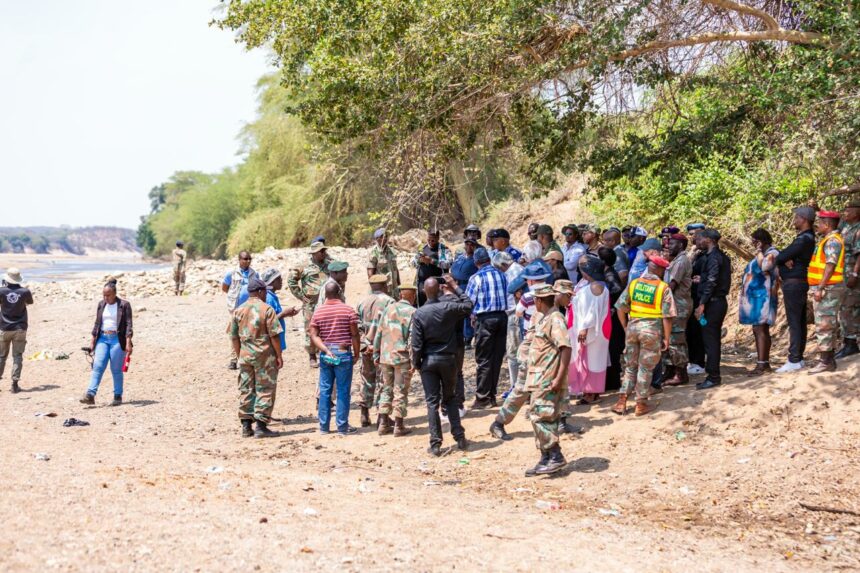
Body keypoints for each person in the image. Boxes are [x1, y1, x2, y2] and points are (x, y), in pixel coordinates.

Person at [411, 275, 473, 455]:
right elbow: (468, 305)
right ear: (439, 289)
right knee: (450, 398)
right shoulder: (448, 307)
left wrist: (417, 363)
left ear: (424, 291)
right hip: (448, 359)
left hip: (429, 361)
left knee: (432, 403)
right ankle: (460, 438)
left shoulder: (420, 313)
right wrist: (455, 285)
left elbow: (416, 344)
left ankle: (436, 444)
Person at [613, 258, 676, 416]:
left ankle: (621, 402)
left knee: (630, 366)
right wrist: (667, 338)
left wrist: (626, 327)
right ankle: (640, 404)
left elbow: (620, 307)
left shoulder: (634, 284)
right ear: (660, 270)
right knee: (645, 368)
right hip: (651, 332)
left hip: (633, 329)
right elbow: (668, 316)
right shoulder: (663, 288)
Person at [521, 283, 571, 476]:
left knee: (542, 417)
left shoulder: (555, 319)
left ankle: (555, 456)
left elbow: (565, 348)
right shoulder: (544, 318)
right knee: (539, 415)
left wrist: (558, 378)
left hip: (548, 378)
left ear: (539, 300)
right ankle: (546, 457)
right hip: (539, 377)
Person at [228, 277, 284, 438]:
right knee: (265, 388)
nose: (266, 294)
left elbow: (233, 337)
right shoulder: (267, 310)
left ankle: (246, 426)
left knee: (246, 388)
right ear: (260, 292)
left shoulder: (238, 311)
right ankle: (261, 426)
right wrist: (279, 355)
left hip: (245, 355)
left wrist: (239, 354)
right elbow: (274, 335)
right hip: (265, 356)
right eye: (265, 291)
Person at [309, 281, 361, 435]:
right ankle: (342, 427)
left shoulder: (318, 312)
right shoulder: (348, 310)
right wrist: (356, 353)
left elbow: (314, 335)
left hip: (327, 355)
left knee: (325, 390)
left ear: (325, 294)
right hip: (343, 353)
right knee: (343, 391)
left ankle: (324, 427)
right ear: (339, 292)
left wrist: (325, 349)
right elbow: (355, 334)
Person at [773, 208, 816, 372]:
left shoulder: (804, 239)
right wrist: (785, 259)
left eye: (796, 217)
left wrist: (783, 259)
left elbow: (779, 256)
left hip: (794, 283)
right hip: (797, 282)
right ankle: (799, 358)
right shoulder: (805, 237)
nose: (794, 220)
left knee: (794, 321)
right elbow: (784, 256)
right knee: (799, 320)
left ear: (804, 219)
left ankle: (794, 359)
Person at [466, 247, 509, 408]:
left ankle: (483, 398)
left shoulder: (476, 278)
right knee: (496, 358)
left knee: (484, 359)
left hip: (485, 320)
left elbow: (468, 302)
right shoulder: (502, 275)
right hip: (502, 317)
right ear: (489, 260)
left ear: (476, 262)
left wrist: (471, 315)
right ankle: (491, 395)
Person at [373, 282, 418, 437]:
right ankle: (399, 426)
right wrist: (414, 360)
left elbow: (379, 332)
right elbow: (412, 338)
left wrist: (376, 353)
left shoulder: (388, 309)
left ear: (400, 295)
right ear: (413, 297)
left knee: (386, 388)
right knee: (400, 391)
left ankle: (383, 423)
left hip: (386, 356)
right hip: (402, 357)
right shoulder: (413, 312)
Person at [80, 281, 133, 406]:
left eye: (108, 295)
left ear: (114, 293)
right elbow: (97, 324)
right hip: (102, 338)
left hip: (117, 339)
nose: (105, 297)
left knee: (116, 369)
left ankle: (117, 396)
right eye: (104, 295)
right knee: (98, 366)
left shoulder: (124, 305)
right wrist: (92, 342)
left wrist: (128, 342)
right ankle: (90, 395)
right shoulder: (101, 304)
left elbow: (129, 325)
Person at [807, 210, 847, 373]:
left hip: (828, 288)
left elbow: (830, 265)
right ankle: (827, 359)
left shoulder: (832, 241)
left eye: (820, 222)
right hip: (827, 287)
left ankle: (826, 361)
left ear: (827, 224)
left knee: (824, 324)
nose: (817, 225)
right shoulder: (828, 240)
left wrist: (821, 287)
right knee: (825, 323)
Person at [568, 255, 610, 404]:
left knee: (593, 360)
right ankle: (589, 392)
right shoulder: (593, 286)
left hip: (594, 331)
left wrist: (584, 328)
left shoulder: (595, 287)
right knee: (592, 359)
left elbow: (592, 311)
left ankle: (591, 393)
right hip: (594, 330)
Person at [693, 229, 732, 389]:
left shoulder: (715, 257)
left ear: (708, 239)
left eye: (700, 238)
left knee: (711, 341)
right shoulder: (719, 257)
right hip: (715, 302)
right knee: (711, 339)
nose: (697, 241)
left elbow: (712, 281)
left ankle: (713, 376)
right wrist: (702, 279)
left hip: (713, 303)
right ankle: (712, 375)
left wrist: (702, 303)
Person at [355, 274, 395, 427]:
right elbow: (392, 327)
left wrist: (365, 344)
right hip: (383, 349)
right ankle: (382, 416)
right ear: (385, 285)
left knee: (366, 378)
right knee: (384, 381)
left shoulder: (361, 302)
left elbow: (356, 326)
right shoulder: (389, 302)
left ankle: (364, 414)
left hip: (366, 348)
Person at [739, 229, 779, 376]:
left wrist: (759, 251)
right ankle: (763, 363)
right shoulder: (763, 254)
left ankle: (762, 364)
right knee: (758, 329)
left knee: (760, 329)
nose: (753, 244)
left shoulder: (773, 253)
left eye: (755, 241)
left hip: (763, 298)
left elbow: (765, 266)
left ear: (761, 241)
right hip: (756, 297)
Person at [288, 241, 330, 368]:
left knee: (327, 327)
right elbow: (291, 280)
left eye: (324, 250)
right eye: (321, 251)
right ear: (314, 253)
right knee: (310, 329)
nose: (324, 253)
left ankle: (326, 352)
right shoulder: (303, 266)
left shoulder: (329, 264)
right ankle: (312, 355)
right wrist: (301, 296)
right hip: (311, 304)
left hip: (327, 302)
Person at [662, 234, 694, 386]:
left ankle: (681, 374)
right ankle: (670, 370)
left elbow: (672, 285)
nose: (668, 246)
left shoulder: (681, 261)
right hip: (673, 305)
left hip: (679, 305)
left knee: (677, 339)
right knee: (669, 338)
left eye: (672, 243)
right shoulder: (676, 260)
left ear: (680, 245)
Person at [222, 251, 259, 370]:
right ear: (239, 260)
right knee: (234, 333)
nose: (248, 261)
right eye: (245, 259)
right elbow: (225, 288)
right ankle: (233, 360)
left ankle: (249, 357)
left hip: (251, 308)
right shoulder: (231, 273)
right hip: (236, 309)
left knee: (250, 332)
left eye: (249, 259)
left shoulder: (254, 274)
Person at [0, 268, 33, 393]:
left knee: (1, 356)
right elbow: (30, 302)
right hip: (20, 328)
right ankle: (14, 384)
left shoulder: (1, 291)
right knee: (17, 356)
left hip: (4, 327)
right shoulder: (25, 291)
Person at [597, 247, 625, 392]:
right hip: (611, 317)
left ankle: (613, 382)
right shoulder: (607, 274)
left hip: (613, 319)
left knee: (612, 349)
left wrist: (612, 307)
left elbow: (617, 291)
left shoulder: (610, 276)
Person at [836, 201, 860, 359]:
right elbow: (832, 220)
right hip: (843, 273)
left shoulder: (858, 230)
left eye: (848, 210)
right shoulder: (845, 226)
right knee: (844, 306)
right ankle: (847, 342)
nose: (845, 213)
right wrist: (817, 209)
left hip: (853, 274)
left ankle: (851, 343)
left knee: (849, 307)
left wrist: (855, 274)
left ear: (857, 213)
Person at [685, 223, 708, 374]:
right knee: (691, 329)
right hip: (691, 296)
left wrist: (702, 279)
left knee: (700, 329)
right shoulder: (694, 253)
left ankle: (699, 362)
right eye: (691, 234)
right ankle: (693, 360)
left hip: (702, 297)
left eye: (696, 234)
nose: (693, 237)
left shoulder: (709, 254)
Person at [262, 269, 300, 353]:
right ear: (272, 282)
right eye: (278, 279)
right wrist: (284, 313)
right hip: (272, 341)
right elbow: (268, 321)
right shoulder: (269, 298)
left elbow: (275, 315)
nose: (281, 281)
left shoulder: (272, 296)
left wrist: (288, 313)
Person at [451, 236, 479, 347]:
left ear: (475, 246)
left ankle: (468, 338)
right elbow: (453, 268)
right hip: (455, 286)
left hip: (467, 286)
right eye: (467, 244)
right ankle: (458, 336)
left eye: (471, 244)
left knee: (467, 312)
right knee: (456, 311)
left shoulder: (475, 259)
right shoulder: (460, 258)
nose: (469, 246)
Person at [414, 229, 452, 306]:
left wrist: (432, 261)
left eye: (433, 240)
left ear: (438, 238)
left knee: (436, 306)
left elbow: (448, 264)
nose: (430, 242)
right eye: (428, 240)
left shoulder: (443, 249)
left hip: (437, 284)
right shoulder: (422, 248)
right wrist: (420, 260)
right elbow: (413, 263)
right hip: (422, 283)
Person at [367, 227, 401, 299]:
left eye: (386, 236)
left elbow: (395, 269)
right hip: (382, 289)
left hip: (394, 288)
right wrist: (376, 290)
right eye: (382, 237)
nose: (385, 238)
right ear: (377, 239)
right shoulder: (374, 252)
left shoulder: (392, 251)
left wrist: (399, 286)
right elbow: (370, 274)